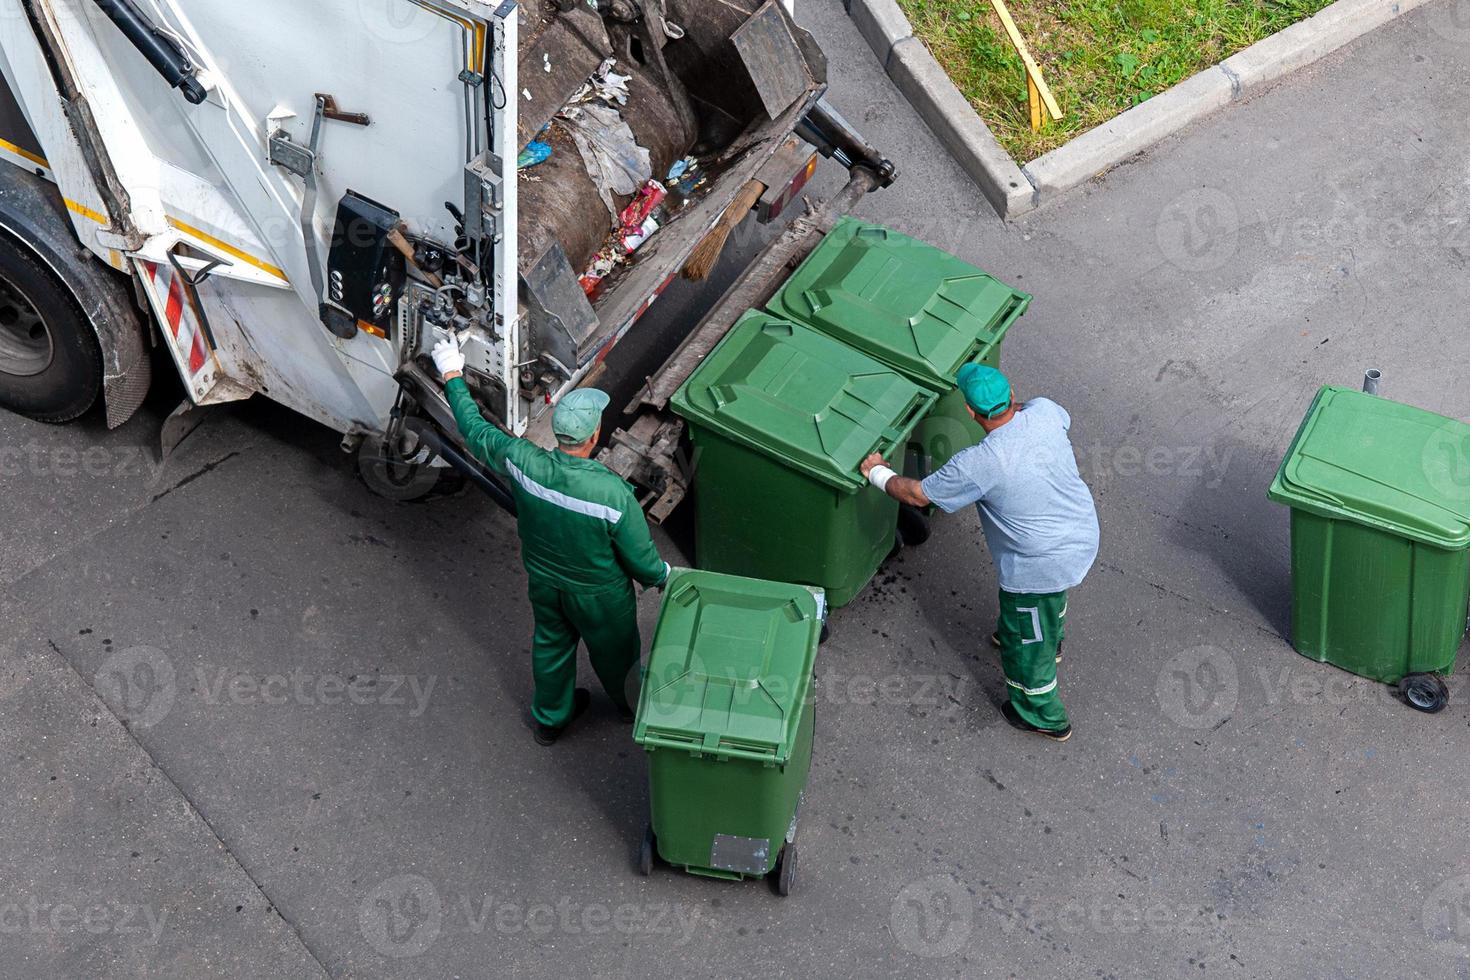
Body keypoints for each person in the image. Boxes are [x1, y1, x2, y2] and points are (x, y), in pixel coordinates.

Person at [432, 333, 669, 746]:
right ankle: (630, 705)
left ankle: (550, 719)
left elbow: (472, 428)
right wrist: (667, 576)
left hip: (545, 583)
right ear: (594, 437)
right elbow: (644, 563)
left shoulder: (523, 462)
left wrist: (451, 371)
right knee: (616, 657)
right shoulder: (611, 495)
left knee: (551, 647)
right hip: (600, 597)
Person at [859, 364, 1098, 742]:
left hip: (1040, 562)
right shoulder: (1046, 412)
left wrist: (877, 473)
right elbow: (1041, 417)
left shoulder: (981, 463)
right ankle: (1045, 639)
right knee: (1046, 602)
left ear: (969, 412)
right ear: (1013, 393)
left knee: (1029, 641)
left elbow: (916, 495)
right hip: (1080, 532)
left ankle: (1042, 713)